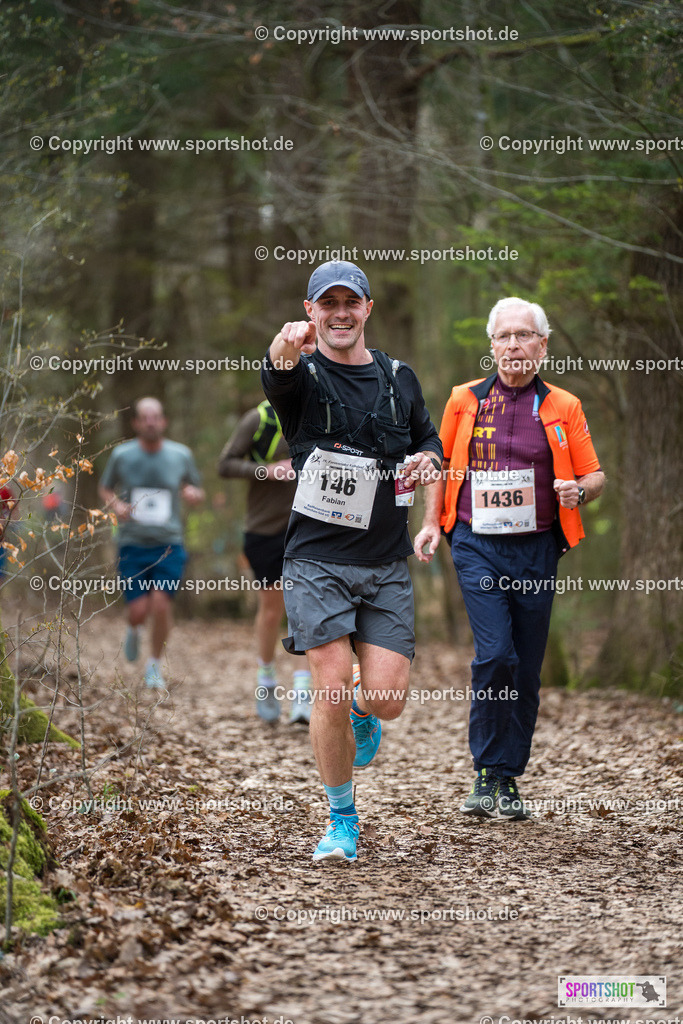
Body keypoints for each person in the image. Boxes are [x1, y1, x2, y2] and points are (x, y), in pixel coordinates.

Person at [261, 259, 443, 862]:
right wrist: (286, 343)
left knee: (386, 698)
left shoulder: (399, 377)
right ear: (311, 310)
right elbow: (276, 369)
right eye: (327, 304)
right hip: (317, 559)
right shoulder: (303, 376)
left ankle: (367, 713)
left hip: (386, 561)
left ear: (368, 309)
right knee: (331, 686)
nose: (340, 313)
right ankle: (342, 820)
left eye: (350, 303)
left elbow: (429, 440)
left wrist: (426, 462)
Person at [415, 297, 604, 820]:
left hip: (539, 547)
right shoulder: (464, 399)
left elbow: (595, 475)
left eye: (525, 335)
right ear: (491, 344)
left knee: (526, 663)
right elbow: (442, 465)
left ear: (543, 345)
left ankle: (508, 778)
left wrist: (578, 493)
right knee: (496, 653)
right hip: (476, 543)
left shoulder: (563, 405)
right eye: (505, 336)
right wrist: (432, 523)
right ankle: (485, 770)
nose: (514, 344)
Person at [99, 397, 205, 688]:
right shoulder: (122, 455)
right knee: (138, 610)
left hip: (169, 544)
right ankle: (133, 629)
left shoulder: (180, 454)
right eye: (144, 417)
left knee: (160, 605)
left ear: (163, 421)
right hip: (132, 543)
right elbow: (105, 488)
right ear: (135, 423)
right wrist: (117, 505)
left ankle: (154, 666)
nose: (150, 422)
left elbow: (195, 487)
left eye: (155, 417)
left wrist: (193, 494)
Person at [217, 401, 312, 724]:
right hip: (265, 530)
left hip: (310, 528)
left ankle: (303, 694)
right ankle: (267, 679)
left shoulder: (319, 410)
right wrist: (266, 470)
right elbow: (225, 464)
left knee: (305, 608)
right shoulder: (259, 419)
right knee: (272, 610)